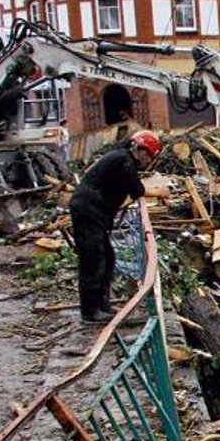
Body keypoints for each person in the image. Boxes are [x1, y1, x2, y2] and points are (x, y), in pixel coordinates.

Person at [69, 130, 168, 322]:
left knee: (108, 259)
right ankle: (90, 311)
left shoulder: (121, 158)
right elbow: (136, 189)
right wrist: (160, 192)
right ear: (141, 150)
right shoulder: (125, 162)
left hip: (94, 214)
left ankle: (102, 304)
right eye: (149, 156)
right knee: (93, 262)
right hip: (88, 212)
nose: (148, 162)